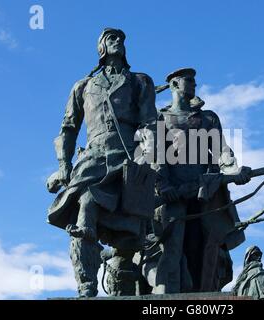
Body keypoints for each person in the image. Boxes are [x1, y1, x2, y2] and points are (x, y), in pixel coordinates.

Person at [46, 28, 157, 297]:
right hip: (94, 160)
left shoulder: (140, 82)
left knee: (131, 231)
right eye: (112, 39)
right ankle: (86, 285)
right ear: (101, 48)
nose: (118, 42)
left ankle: (124, 283)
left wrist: (149, 158)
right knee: (85, 210)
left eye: (121, 39)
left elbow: (150, 124)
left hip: (129, 158)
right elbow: (68, 129)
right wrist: (64, 164)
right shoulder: (84, 86)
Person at [148, 68, 251, 294]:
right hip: (173, 195)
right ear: (174, 85)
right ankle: (168, 296)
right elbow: (155, 156)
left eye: (194, 80)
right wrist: (163, 186)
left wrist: (235, 172)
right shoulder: (159, 119)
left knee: (205, 247)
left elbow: (222, 151)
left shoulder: (208, 118)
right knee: (173, 247)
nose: (194, 84)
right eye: (188, 81)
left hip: (206, 193)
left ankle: (202, 294)